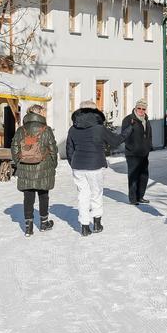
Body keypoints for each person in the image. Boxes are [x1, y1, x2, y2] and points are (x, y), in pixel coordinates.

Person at [67, 100, 125, 236]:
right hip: (95, 165)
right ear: (95, 112)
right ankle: (97, 223)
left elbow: (69, 150)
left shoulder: (72, 129)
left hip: (78, 166)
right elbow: (115, 141)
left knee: (83, 195)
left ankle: (85, 226)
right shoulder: (99, 128)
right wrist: (128, 131)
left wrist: (74, 163)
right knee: (96, 193)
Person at [11, 104, 58, 237]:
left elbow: (14, 148)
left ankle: (28, 227)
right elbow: (53, 149)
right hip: (44, 167)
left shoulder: (21, 130)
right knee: (43, 195)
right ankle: (44, 223)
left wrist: (19, 162)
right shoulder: (46, 129)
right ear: (40, 114)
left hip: (25, 168)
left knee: (28, 197)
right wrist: (53, 164)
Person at [121, 99, 153, 205]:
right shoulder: (129, 120)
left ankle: (140, 196)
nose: (141, 110)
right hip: (132, 154)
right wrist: (132, 147)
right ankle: (133, 198)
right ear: (135, 107)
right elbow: (125, 136)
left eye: (143, 109)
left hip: (144, 153)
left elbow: (149, 134)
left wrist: (148, 146)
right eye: (139, 108)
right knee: (133, 176)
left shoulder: (146, 120)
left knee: (144, 176)